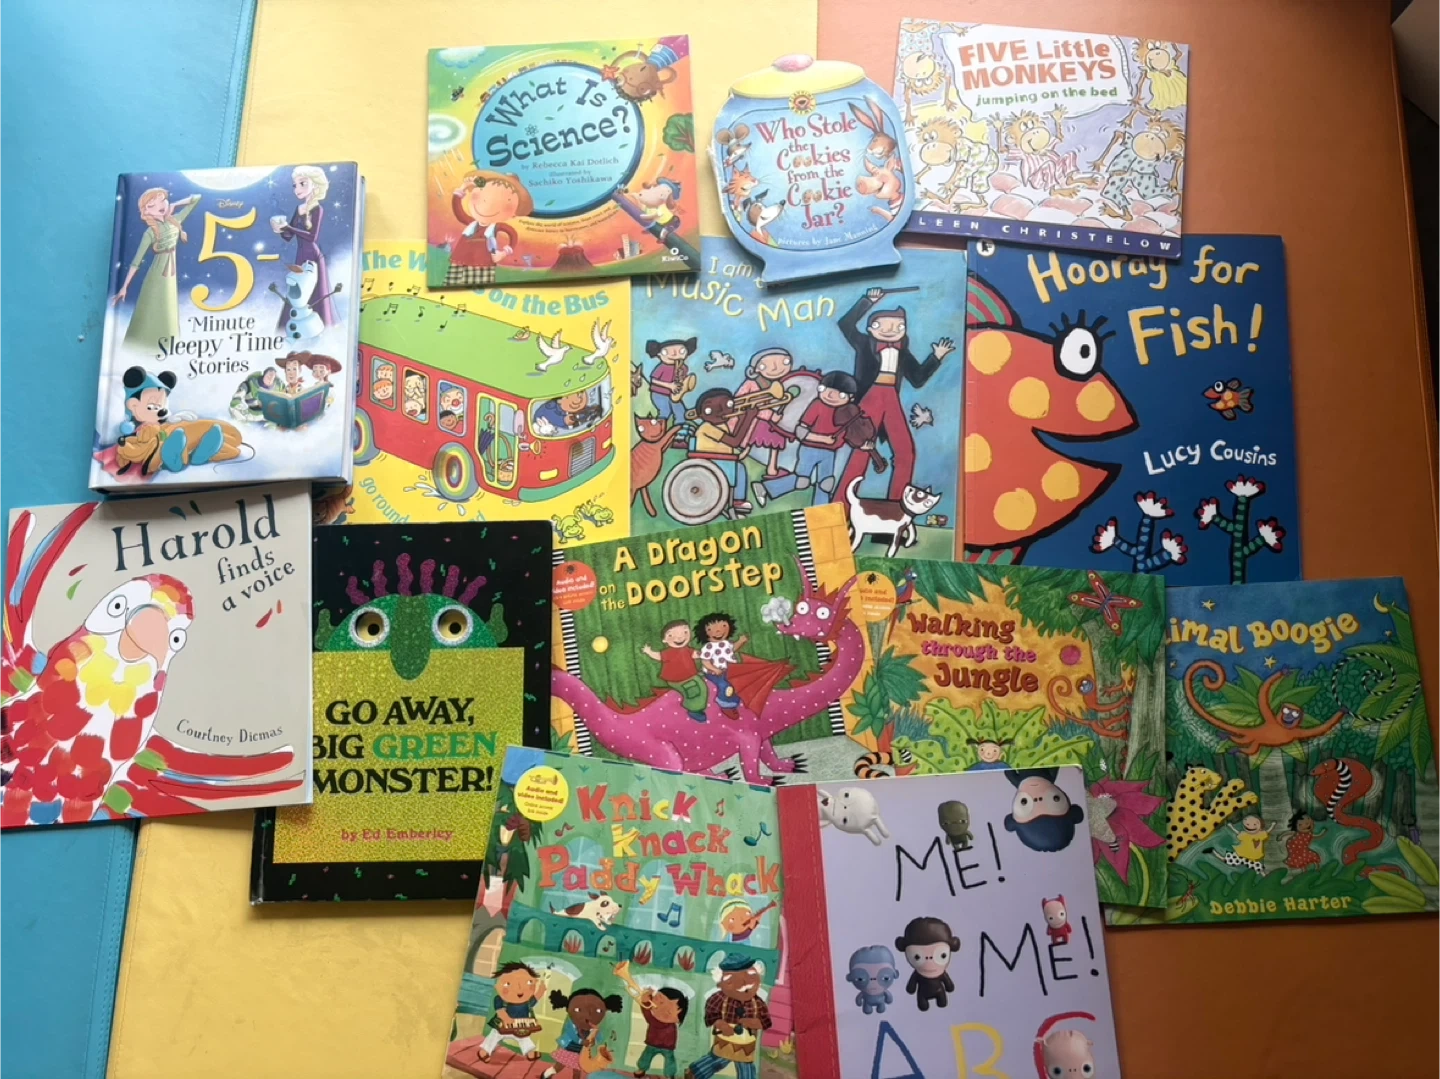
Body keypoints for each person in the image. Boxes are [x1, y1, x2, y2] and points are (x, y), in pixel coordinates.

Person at [834, 288, 955, 499]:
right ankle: (841, 502)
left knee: (905, 450)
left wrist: (936, 357)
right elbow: (845, 325)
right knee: (863, 448)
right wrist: (867, 301)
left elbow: (917, 379)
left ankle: (898, 503)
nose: (891, 330)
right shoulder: (864, 344)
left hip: (891, 397)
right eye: (884, 325)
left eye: (898, 326)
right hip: (870, 397)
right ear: (871, 329)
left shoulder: (903, 353)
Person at [112, 187, 202, 350]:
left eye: (163, 200)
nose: (161, 205)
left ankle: (169, 344)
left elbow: (197, 198)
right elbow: (136, 261)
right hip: (157, 274)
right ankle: (143, 344)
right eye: (153, 204)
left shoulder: (175, 220)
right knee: (152, 306)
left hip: (171, 274)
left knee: (169, 307)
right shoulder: (149, 232)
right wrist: (124, 287)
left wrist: (175, 204)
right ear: (146, 211)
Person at [755, 371, 854, 506]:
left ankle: (822, 511)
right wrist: (822, 439)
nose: (830, 395)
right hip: (809, 449)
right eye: (825, 389)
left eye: (839, 394)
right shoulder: (817, 405)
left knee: (826, 483)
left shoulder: (848, 413)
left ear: (850, 397)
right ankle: (765, 488)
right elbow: (801, 431)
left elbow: (850, 435)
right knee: (802, 481)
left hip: (830, 453)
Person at [272, 165, 338, 329]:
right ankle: (291, 328)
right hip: (300, 256)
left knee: (313, 293)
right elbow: (288, 237)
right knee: (296, 291)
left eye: (302, 183)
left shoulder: (317, 209)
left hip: (312, 258)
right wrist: (279, 229)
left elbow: (312, 236)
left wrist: (288, 227)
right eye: (295, 185)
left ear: (315, 184)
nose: (297, 189)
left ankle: (316, 328)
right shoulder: (299, 208)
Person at [685, 955, 772, 1079]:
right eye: (732, 980)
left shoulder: (758, 1003)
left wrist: (754, 1023)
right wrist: (721, 1024)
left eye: (751, 976)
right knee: (718, 1060)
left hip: (746, 1044)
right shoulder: (719, 998)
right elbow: (711, 1014)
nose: (745, 984)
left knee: (746, 1065)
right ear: (722, 983)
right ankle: (695, 1072)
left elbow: (766, 1021)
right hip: (724, 1040)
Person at [446, 169, 533, 286]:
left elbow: (512, 234)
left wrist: (503, 253)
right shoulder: (471, 224)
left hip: (483, 265)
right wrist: (463, 188)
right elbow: (458, 211)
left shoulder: (496, 227)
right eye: (482, 196)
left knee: (479, 289)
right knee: (453, 285)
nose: (486, 203)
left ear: (514, 213)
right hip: (459, 261)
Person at [735, 348, 793, 478]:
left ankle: (772, 467)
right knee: (749, 440)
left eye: (784, 362)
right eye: (765, 365)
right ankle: (742, 454)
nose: (775, 368)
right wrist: (770, 415)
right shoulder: (751, 383)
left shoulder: (781, 384)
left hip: (769, 422)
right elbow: (741, 402)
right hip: (752, 421)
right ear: (756, 368)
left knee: (778, 435)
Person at [475, 962, 546, 1063]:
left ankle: (529, 1052)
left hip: (520, 1026)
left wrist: (540, 991)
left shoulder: (527, 1001)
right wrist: (506, 1018)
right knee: (494, 1036)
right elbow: (500, 1011)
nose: (519, 990)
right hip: (502, 1026)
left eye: (528, 982)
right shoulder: (500, 1000)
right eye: (508, 984)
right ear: (498, 986)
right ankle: (485, 1051)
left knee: (524, 1038)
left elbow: (535, 999)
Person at [642, 621, 709, 723]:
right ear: (664, 640)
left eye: (685, 632)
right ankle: (694, 709)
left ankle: (695, 706)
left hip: (690, 676)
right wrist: (649, 652)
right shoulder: (668, 652)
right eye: (671, 635)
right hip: (678, 680)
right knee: (696, 691)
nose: (680, 637)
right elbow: (659, 656)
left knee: (702, 687)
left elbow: (696, 654)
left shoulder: (687, 649)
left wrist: (706, 653)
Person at [696, 613, 747, 720]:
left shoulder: (726, 643)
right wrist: (715, 669)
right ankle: (725, 705)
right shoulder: (709, 647)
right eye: (710, 629)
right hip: (714, 673)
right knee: (725, 686)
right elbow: (705, 661)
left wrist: (740, 642)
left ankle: (735, 701)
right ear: (704, 633)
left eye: (723, 626)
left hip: (730, 669)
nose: (718, 631)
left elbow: (732, 649)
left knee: (738, 683)